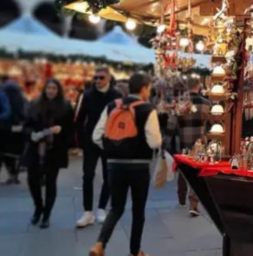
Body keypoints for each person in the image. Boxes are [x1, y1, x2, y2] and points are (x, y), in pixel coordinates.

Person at [89, 72, 162, 256]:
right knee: (138, 210)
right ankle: (134, 251)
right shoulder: (147, 109)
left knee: (116, 208)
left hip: (115, 165)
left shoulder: (112, 106)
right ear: (144, 88)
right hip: (139, 166)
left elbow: (96, 136)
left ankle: (99, 244)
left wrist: (113, 149)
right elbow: (155, 142)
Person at [23, 79, 74, 228]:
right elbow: (26, 126)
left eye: (54, 88)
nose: (51, 91)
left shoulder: (65, 107)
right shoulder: (34, 104)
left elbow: (71, 130)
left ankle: (46, 214)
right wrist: (31, 134)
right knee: (33, 181)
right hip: (36, 150)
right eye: (49, 88)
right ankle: (38, 208)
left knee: (51, 182)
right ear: (44, 89)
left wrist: (61, 131)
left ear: (58, 90)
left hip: (54, 151)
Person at [75, 67, 121, 228]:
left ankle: (101, 208)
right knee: (87, 175)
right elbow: (80, 119)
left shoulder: (116, 96)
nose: (98, 81)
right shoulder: (87, 95)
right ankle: (87, 212)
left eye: (101, 77)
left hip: (109, 141)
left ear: (108, 78)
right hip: (90, 141)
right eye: (95, 78)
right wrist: (81, 141)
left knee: (108, 175)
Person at [164, 76, 211, 216]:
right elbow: (209, 124)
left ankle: (181, 198)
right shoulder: (206, 103)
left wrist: (166, 142)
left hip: (183, 139)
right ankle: (194, 203)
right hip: (200, 140)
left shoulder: (180, 103)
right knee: (197, 171)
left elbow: (171, 124)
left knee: (184, 169)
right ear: (199, 86)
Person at [0, 75, 27, 184]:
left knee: (3, 152)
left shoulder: (3, 91)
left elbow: (7, 111)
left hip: (4, 127)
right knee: (10, 152)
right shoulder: (18, 91)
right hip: (15, 126)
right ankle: (13, 175)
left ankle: (12, 175)